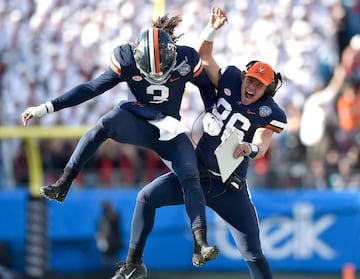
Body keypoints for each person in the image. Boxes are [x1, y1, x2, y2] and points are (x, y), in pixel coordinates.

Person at [21, 15, 219, 278]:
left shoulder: (186, 59)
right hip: (137, 121)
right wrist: (48, 107)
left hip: (169, 128)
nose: (157, 76)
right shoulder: (126, 58)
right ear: (138, 57)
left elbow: (206, 87)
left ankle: (200, 244)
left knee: (190, 175)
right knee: (106, 123)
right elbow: (92, 87)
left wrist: (212, 113)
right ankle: (64, 183)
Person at [117, 6, 287, 279]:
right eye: (251, 80)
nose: (252, 87)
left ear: (267, 90)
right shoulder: (229, 81)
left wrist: (250, 148)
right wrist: (211, 30)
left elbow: (262, 141)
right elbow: (203, 56)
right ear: (244, 77)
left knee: (253, 253)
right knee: (146, 197)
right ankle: (134, 263)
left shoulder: (269, 113)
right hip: (195, 174)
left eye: (259, 85)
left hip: (229, 187)